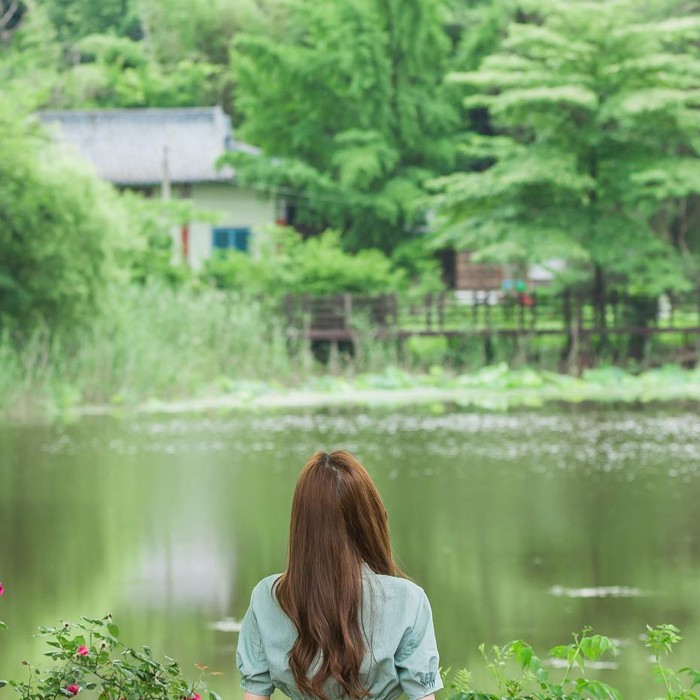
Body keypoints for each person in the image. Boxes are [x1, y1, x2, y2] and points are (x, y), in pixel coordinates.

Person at [236, 450, 443, 700]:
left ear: (301, 526)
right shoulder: (408, 601)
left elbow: (254, 694)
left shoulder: (268, 598)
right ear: (369, 519)